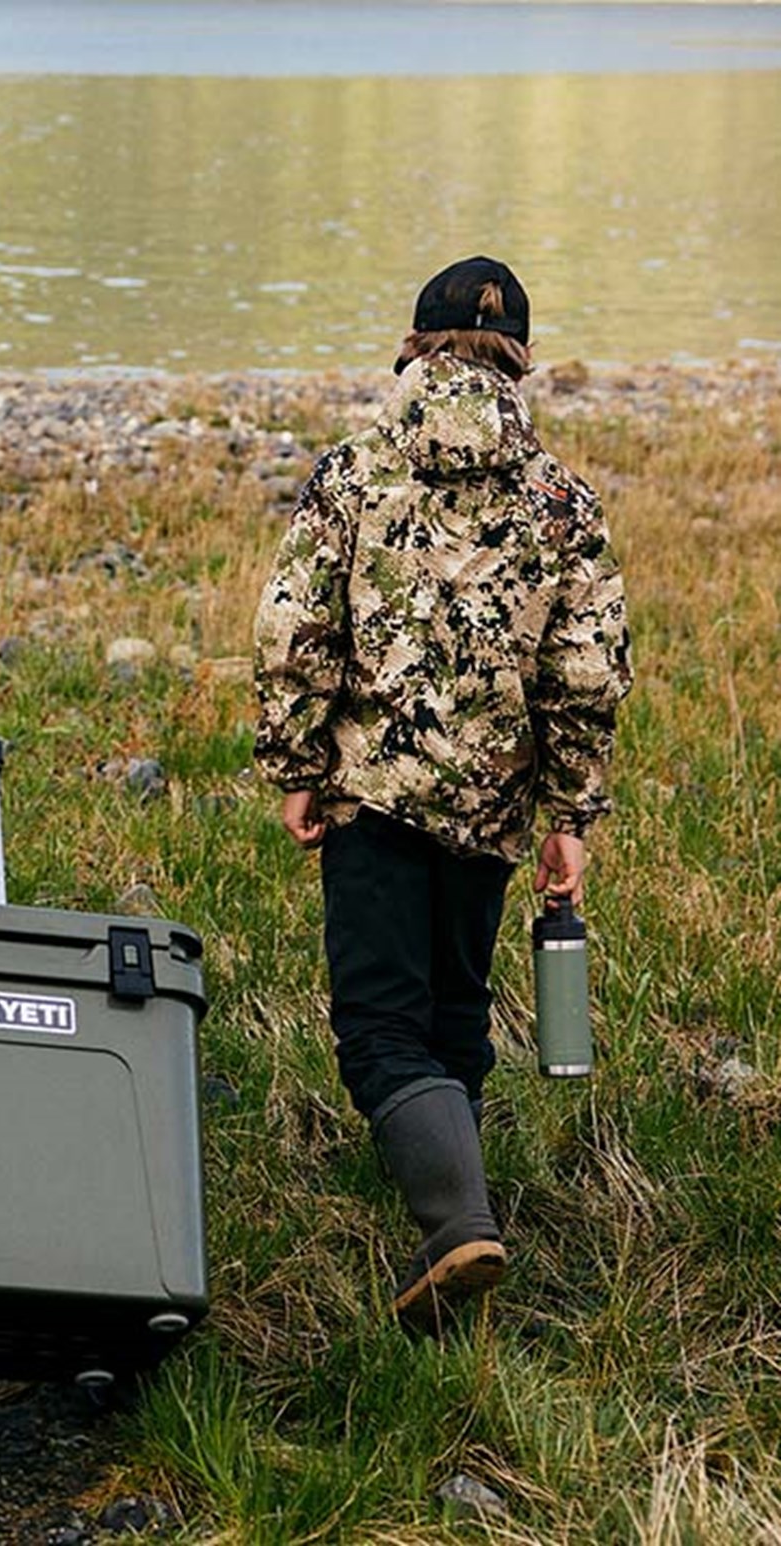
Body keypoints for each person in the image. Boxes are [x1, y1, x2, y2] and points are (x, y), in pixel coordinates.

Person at [252, 256, 633, 1330]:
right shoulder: (563, 497)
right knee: (455, 1013)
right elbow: (589, 671)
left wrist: (295, 764)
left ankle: (454, 1222)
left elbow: (292, 629)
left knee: (379, 1027)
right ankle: (453, 1216)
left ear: (414, 348)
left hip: (372, 793)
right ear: (518, 362)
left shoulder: (356, 471)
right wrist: (569, 812)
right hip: (493, 807)